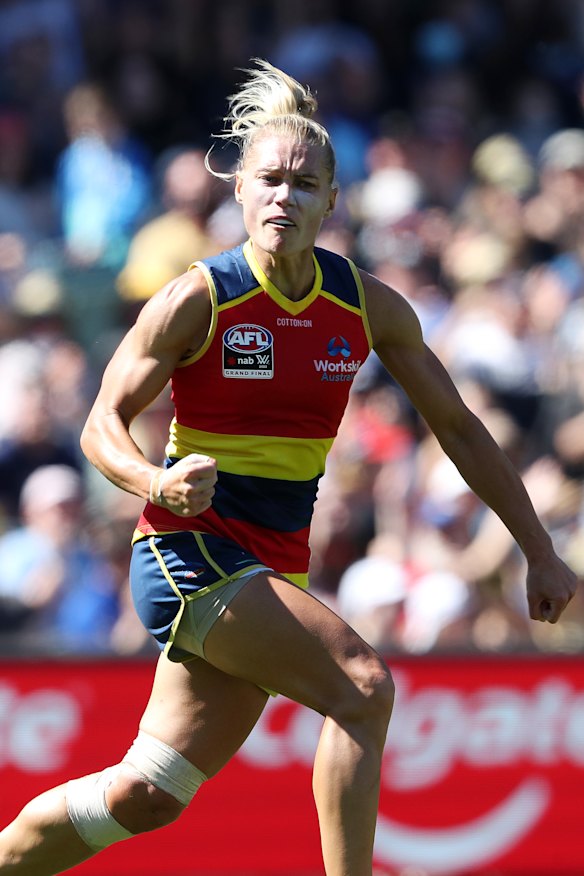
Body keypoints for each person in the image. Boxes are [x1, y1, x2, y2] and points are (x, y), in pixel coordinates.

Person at [0, 59, 577, 876]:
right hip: (188, 552)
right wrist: (153, 482)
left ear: (332, 202)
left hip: (271, 564)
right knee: (362, 686)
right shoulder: (199, 298)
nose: (284, 196)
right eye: (268, 179)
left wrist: (540, 548)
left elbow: (460, 428)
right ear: (238, 191)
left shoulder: (366, 305)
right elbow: (101, 425)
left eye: (304, 185)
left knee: (147, 794)